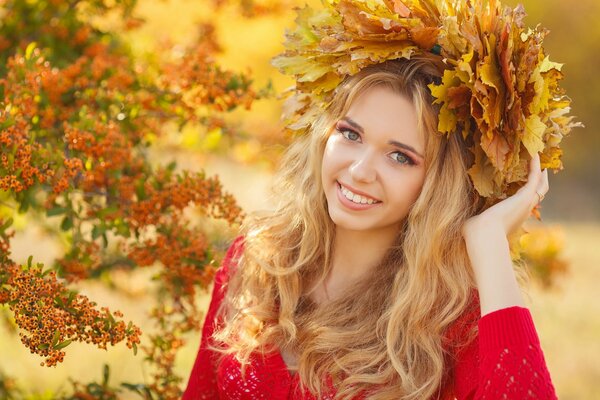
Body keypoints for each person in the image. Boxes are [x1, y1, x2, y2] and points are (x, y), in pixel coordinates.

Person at [183, 1, 570, 398]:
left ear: (439, 184)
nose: (360, 170)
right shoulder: (256, 261)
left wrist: (489, 243)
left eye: (400, 156)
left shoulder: (453, 321)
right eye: (351, 134)